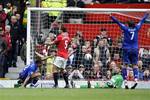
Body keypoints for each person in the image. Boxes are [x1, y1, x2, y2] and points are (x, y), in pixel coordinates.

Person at [110, 13, 149, 89]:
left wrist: (111, 17)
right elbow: (142, 21)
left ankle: (125, 82)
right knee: (135, 65)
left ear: (128, 24)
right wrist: (146, 14)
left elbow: (118, 22)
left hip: (126, 49)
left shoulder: (125, 28)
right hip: (134, 49)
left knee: (125, 65)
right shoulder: (137, 28)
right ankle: (136, 79)